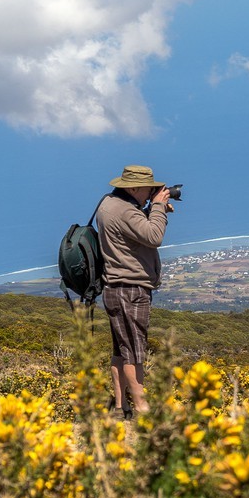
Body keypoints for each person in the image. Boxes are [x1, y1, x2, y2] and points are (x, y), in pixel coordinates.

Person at [96, 165, 173, 418]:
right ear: (133, 187)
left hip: (114, 287)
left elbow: (130, 232)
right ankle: (142, 408)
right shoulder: (126, 211)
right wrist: (159, 208)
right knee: (134, 352)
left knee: (121, 350)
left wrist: (151, 209)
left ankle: (120, 407)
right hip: (131, 289)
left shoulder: (109, 203)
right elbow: (153, 236)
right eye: (149, 188)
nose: (152, 191)